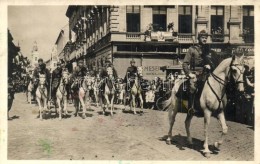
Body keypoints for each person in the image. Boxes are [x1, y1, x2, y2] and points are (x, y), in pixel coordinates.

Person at [181, 30, 215, 114]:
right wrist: (189, 73)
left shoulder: (207, 50)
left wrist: (210, 65)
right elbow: (185, 63)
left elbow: (211, 61)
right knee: (192, 87)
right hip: (194, 73)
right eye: (203, 38)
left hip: (205, 73)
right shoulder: (192, 49)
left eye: (206, 38)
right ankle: (191, 108)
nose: (204, 39)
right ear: (199, 38)